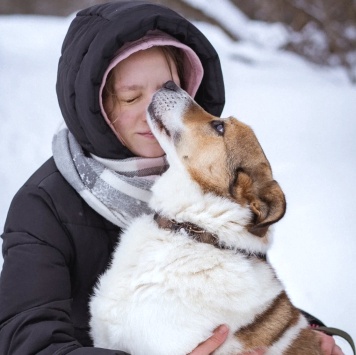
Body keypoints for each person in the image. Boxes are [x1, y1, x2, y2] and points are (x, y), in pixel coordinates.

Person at [0, 2, 343, 354]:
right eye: (131, 96)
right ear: (97, 108)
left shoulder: (209, 184)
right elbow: (27, 341)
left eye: (170, 88)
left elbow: (239, 304)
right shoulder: (44, 206)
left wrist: (305, 337)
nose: (154, 109)